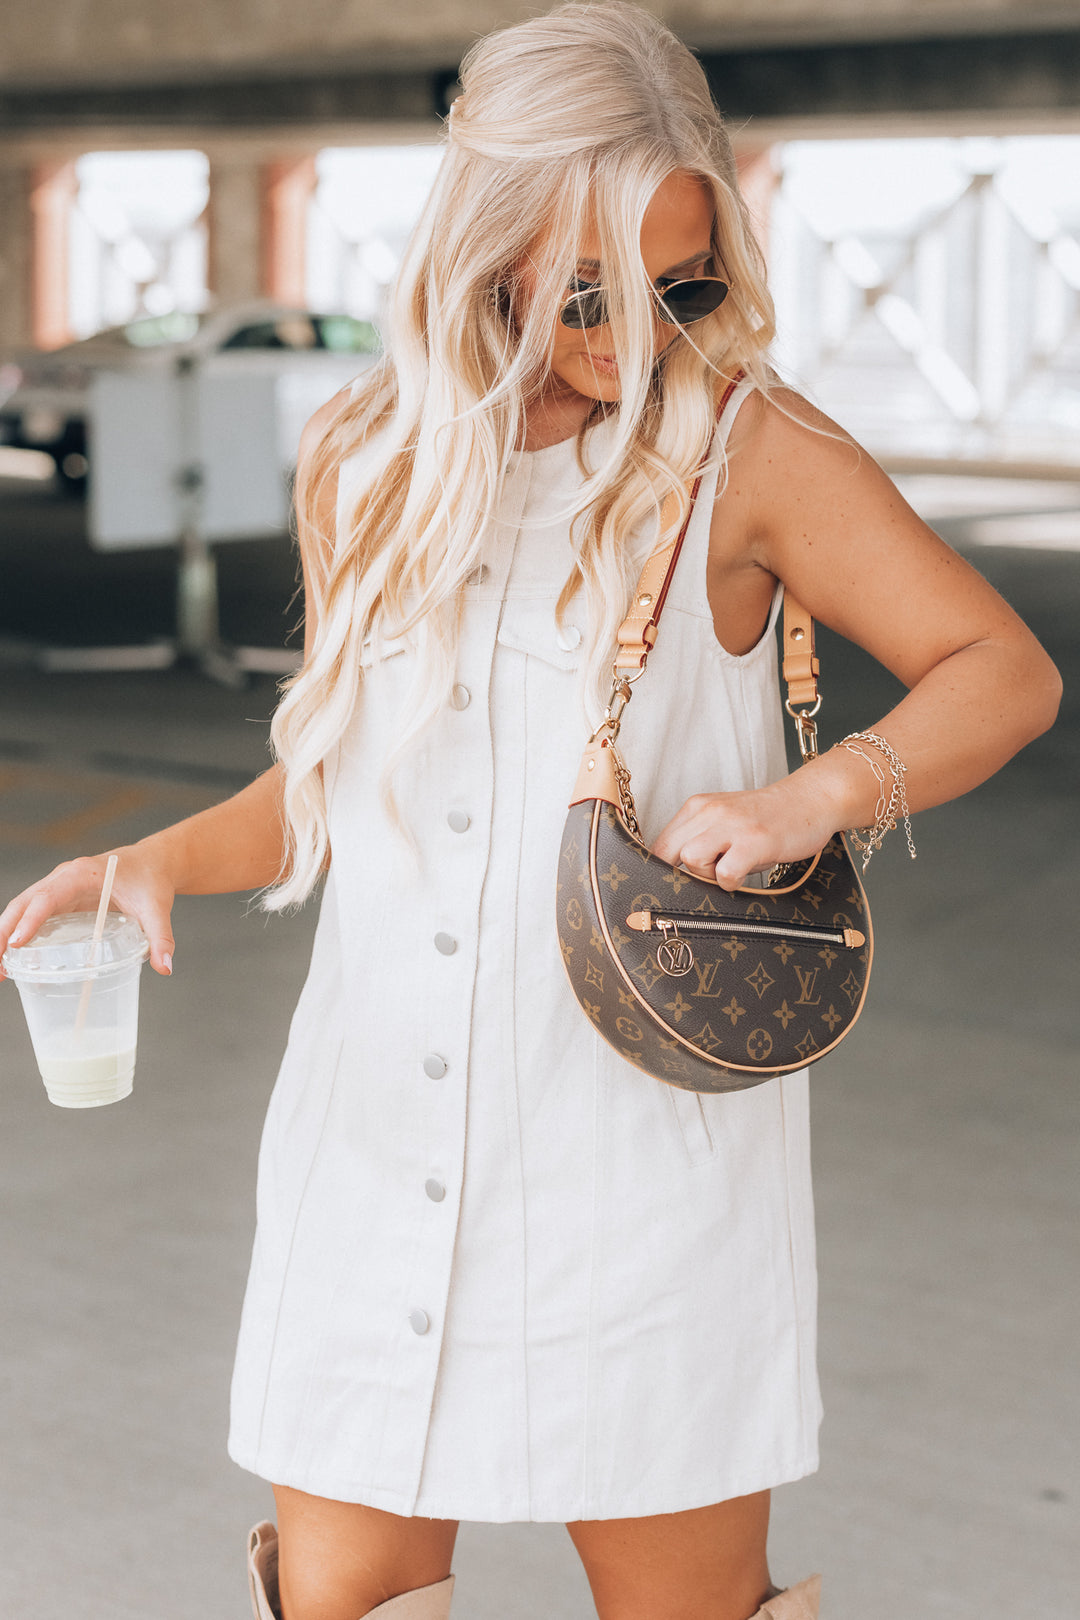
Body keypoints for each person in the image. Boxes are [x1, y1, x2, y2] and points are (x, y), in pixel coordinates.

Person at [0, 4, 1061, 1618]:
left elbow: (1003, 669)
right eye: (587, 291)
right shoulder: (369, 455)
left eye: (681, 281)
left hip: (639, 1167)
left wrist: (815, 795)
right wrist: (154, 857)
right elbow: (343, 785)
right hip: (368, 1147)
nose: (641, 333)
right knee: (341, 1596)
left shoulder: (749, 448)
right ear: (483, 242)